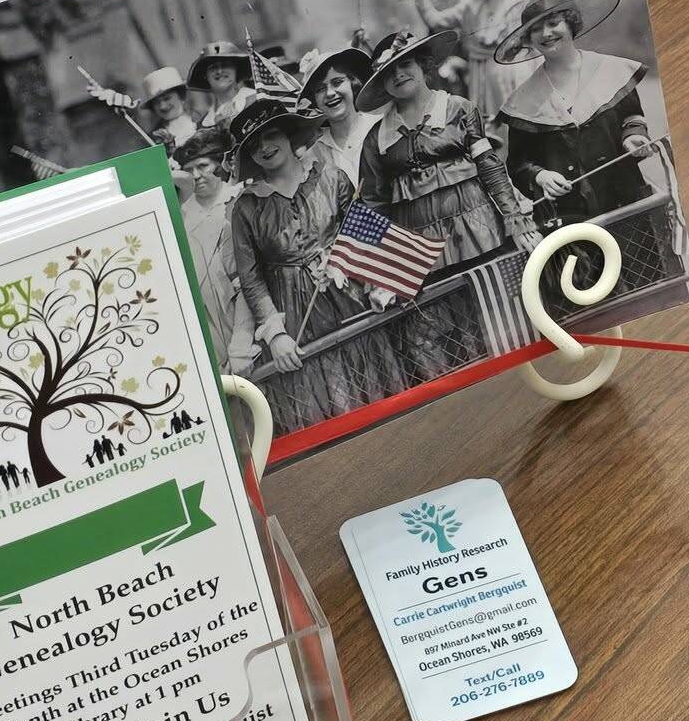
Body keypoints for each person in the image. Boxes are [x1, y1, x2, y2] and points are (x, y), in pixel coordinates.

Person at [227, 95, 403, 435]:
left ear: (288, 134)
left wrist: (376, 281)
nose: (265, 147)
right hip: (296, 317)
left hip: (348, 292)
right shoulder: (246, 209)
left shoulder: (330, 177)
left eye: (271, 135)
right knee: (332, 405)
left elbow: (364, 234)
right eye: (254, 145)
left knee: (380, 388)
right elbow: (251, 279)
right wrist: (275, 334)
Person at [357, 30, 539, 265]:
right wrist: (379, 266)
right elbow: (373, 203)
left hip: (478, 225)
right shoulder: (377, 138)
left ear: (423, 64)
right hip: (418, 244)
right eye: (389, 72)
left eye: (405, 64)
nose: (399, 74)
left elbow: (490, 168)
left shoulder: (458, 109)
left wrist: (517, 221)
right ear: (382, 83)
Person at [495, 0, 655, 224]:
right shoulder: (523, 100)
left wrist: (632, 136)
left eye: (553, 23)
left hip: (625, 197)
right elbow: (519, 163)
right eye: (535, 29)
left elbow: (631, 117)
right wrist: (541, 176)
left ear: (571, 23)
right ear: (529, 39)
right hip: (570, 215)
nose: (545, 33)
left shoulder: (610, 70)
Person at [406, 0, 528, 117]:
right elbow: (435, 21)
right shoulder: (470, 6)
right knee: (492, 130)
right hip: (482, 79)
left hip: (516, 74)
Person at [175, 127, 256, 370]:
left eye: (202, 166)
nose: (196, 175)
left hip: (244, 304)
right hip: (210, 314)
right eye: (189, 170)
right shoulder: (183, 215)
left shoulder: (240, 198)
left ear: (219, 164)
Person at [299, 45, 381, 180]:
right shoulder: (314, 155)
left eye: (337, 82)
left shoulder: (380, 126)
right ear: (314, 100)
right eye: (320, 89)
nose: (330, 93)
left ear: (353, 83)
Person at [187, 41, 257, 131]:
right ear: (205, 76)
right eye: (213, 67)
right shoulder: (204, 124)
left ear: (236, 69)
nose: (219, 71)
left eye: (225, 65)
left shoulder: (257, 99)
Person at [140, 67, 198, 150]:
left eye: (167, 98)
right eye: (156, 103)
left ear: (181, 96)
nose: (162, 106)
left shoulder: (204, 120)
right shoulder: (153, 139)